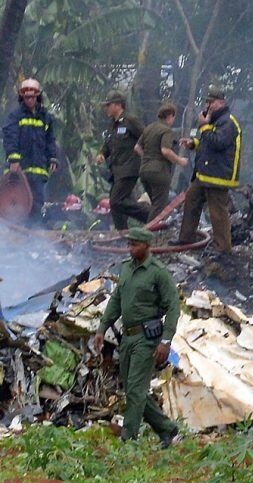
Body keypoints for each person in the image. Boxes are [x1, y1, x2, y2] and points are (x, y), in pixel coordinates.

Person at [93, 227, 179, 446]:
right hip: (127, 338)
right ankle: (167, 428)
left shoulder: (157, 272)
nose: (130, 248)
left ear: (147, 246)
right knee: (134, 390)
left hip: (147, 339)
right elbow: (116, 300)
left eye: (135, 245)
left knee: (135, 389)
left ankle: (128, 441)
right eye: (129, 244)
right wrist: (102, 328)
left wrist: (165, 342)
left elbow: (173, 307)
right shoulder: (126, 269)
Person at [174, 88, 242, 253]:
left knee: (217, 212)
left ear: (221, 103)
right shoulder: (214, 121)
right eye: (207, 102)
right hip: (205, 175)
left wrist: (204, 127)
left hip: (218, 176)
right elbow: (207, 144)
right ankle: (186, 239)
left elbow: (218, 143)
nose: (208, 105)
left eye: (211, 102)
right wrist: (193, 144)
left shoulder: (228, 122)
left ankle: (223, 248)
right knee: (191, 199)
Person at [2, 78, 58, 224]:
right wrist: (14, 160)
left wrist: (52, 157)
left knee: (37, 205)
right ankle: (18, 240)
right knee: (18, 207)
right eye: (26, 97)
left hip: (39, 171)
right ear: (22, 97)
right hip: (21, 171)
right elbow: (10, 137)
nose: (29, 99)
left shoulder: (46, 117)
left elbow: (50, 140)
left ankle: (34, 241)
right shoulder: (15, 116)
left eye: (32, 96)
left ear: (38, 96)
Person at [96, 90, 149, 230]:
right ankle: (122, 235)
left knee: (116, 201)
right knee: (117, 206)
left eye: (108, 105)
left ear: (118, 105)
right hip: (116, 171)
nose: (106, 108)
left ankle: (151, 216)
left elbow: (146, 136)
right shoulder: (113, 125)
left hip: (129, 169)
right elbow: (109, 144)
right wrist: (102, 154)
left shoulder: (130, 121)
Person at [134, 103, 188, 221]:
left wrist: (148, 157)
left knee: (155, 204)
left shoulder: (149, 128)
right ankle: (148, 235)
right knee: (159, 206)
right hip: (159, 172)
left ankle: (149, 231)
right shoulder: (166, 130)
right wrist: (180, 161)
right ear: (169, 116)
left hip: (144, 171)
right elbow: (165, 151)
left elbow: (137, 148)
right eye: (174, 117)